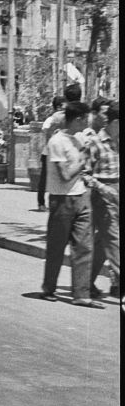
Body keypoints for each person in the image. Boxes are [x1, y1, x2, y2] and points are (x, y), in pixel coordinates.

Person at [41, 100, 103, 308]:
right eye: (85, 118)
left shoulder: (79, 138)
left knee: (84, 246)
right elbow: (66, 174)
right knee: (57, 247)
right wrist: (84, 155)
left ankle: (81, 294)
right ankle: (49, 287)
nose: (87, 123)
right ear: (78, 118)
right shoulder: (57, 142)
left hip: (81, 196)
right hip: (62, 199)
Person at [79, 101, 119, 300]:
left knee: (104, 242)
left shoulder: (118, 142)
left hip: (117, 191)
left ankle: (86, 282)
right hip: (103, 194)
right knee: (113, 239)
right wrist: (103, 188)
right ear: (116, 122)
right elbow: (84, 173)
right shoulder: (94, 142)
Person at [38, 95, 65, 211]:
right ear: (58, 106)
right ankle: (41, 203)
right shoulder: (50, 120)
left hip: (58, 153)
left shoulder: (63, 119)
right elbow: (47, 134)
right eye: (64, 105)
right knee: (44, 179)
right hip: (48, 153)